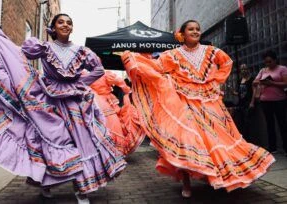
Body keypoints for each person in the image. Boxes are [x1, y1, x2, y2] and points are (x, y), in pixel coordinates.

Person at [121, 20, 275, 198]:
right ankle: (186, 184)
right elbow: (157, 68)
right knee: (188, 141)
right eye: (191, 29)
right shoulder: (173, 55)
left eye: (197, 29)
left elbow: (227, 63)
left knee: (217, 139)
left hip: (210, 102)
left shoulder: (211, 51)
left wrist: (216, 81)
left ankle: (219, 176)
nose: (195, 32)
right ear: (183, 34)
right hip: (184, 102)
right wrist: (135, 60)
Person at [0, 14, 126, 204]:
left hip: (74, 102)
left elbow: (98, 70)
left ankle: (81, 190)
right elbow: (19, 55)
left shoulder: (82, 51)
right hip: (48, 100)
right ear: (53, 27)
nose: (65, 25)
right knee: (49, 140)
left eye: (69, 22)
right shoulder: (44, 47)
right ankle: (46, 183)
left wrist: (78, 83)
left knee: (81, 142)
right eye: (61, 22)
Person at [90, 71, 145, 155]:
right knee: (113, 126)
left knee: (98, 127)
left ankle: (102, 152)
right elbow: (120, 82)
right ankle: (113, 152)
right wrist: (127, 90)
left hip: (93, 103)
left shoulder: (86, 75)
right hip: (105, 103)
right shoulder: (105, 74)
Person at [250, 50, 287, 155]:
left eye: (270, 61)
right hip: (265, 101)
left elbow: (285, 83)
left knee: (282, 124)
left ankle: (285, 147)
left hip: (279, 100)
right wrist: (261, 82)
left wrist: (272, 83)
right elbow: (254, 82)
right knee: (269, 124)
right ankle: (272, 147)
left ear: (275, 60)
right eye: (266, 62)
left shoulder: (282, 69)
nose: (268, 64)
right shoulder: (263, 70)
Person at [230, 64, 254, 140]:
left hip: (248, 102)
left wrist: (252, 102)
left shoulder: (251, 79)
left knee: (247, 122)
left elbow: (254, 92)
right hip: (241, 103)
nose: (243, 70)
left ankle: (248, 139)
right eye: (242, 69)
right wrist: (234, 93)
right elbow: (240, 93)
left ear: (248, 69)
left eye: (245, 69)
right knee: (241, 122)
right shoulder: (240, 80)